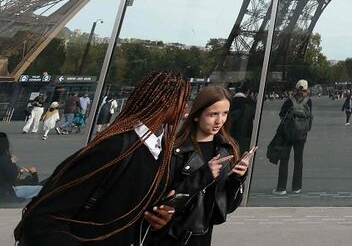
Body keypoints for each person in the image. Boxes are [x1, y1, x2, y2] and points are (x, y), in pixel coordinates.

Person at [14, 70, 189, 245]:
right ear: (163, 100)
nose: (186, 107)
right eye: (183, 100)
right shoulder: (114, 148)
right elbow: (46, 217)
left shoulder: (163, 153)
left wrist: (160, 223)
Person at [155, 86, 252, 245]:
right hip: (170, 237)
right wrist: (202, 176)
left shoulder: (226, 149)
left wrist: (237, 179)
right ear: (196, 115)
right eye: (213, 114)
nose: (219, 120)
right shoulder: (175, 150)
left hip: (203, 237)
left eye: (225, 113)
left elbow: (225, 208)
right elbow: (162, 203)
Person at [273, 79, 312, 195]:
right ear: (306, 90)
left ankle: (281, 188)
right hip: (301, 136)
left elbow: (281, 115)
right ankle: (296, 187)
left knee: (284, 160)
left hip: (288, 135)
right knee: (298, 160)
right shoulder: (308, 102)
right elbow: (310, 117)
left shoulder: (289, 101)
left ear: (295, 89)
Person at [0, 133, 42, 203]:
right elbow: (12, 177)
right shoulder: (4, 158)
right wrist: (12, 163)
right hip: (7, 191)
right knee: (41, 189)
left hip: (6, 190)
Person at [227, 82, 255, 155]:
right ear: (248, 92)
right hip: (244, 135)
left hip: (227, 136)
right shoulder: (250, 103)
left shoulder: (227, 101)